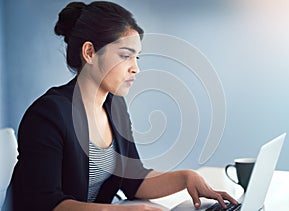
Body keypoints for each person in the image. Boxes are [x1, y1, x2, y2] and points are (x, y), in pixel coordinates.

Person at [2, 1, 238, 211]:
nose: (136, 68)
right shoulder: (47, 115)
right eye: (126, 56)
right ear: (90, 52)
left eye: (137, 57)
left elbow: (133, 181)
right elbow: (45, 203)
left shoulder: (115, 106)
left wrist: (187, 178)